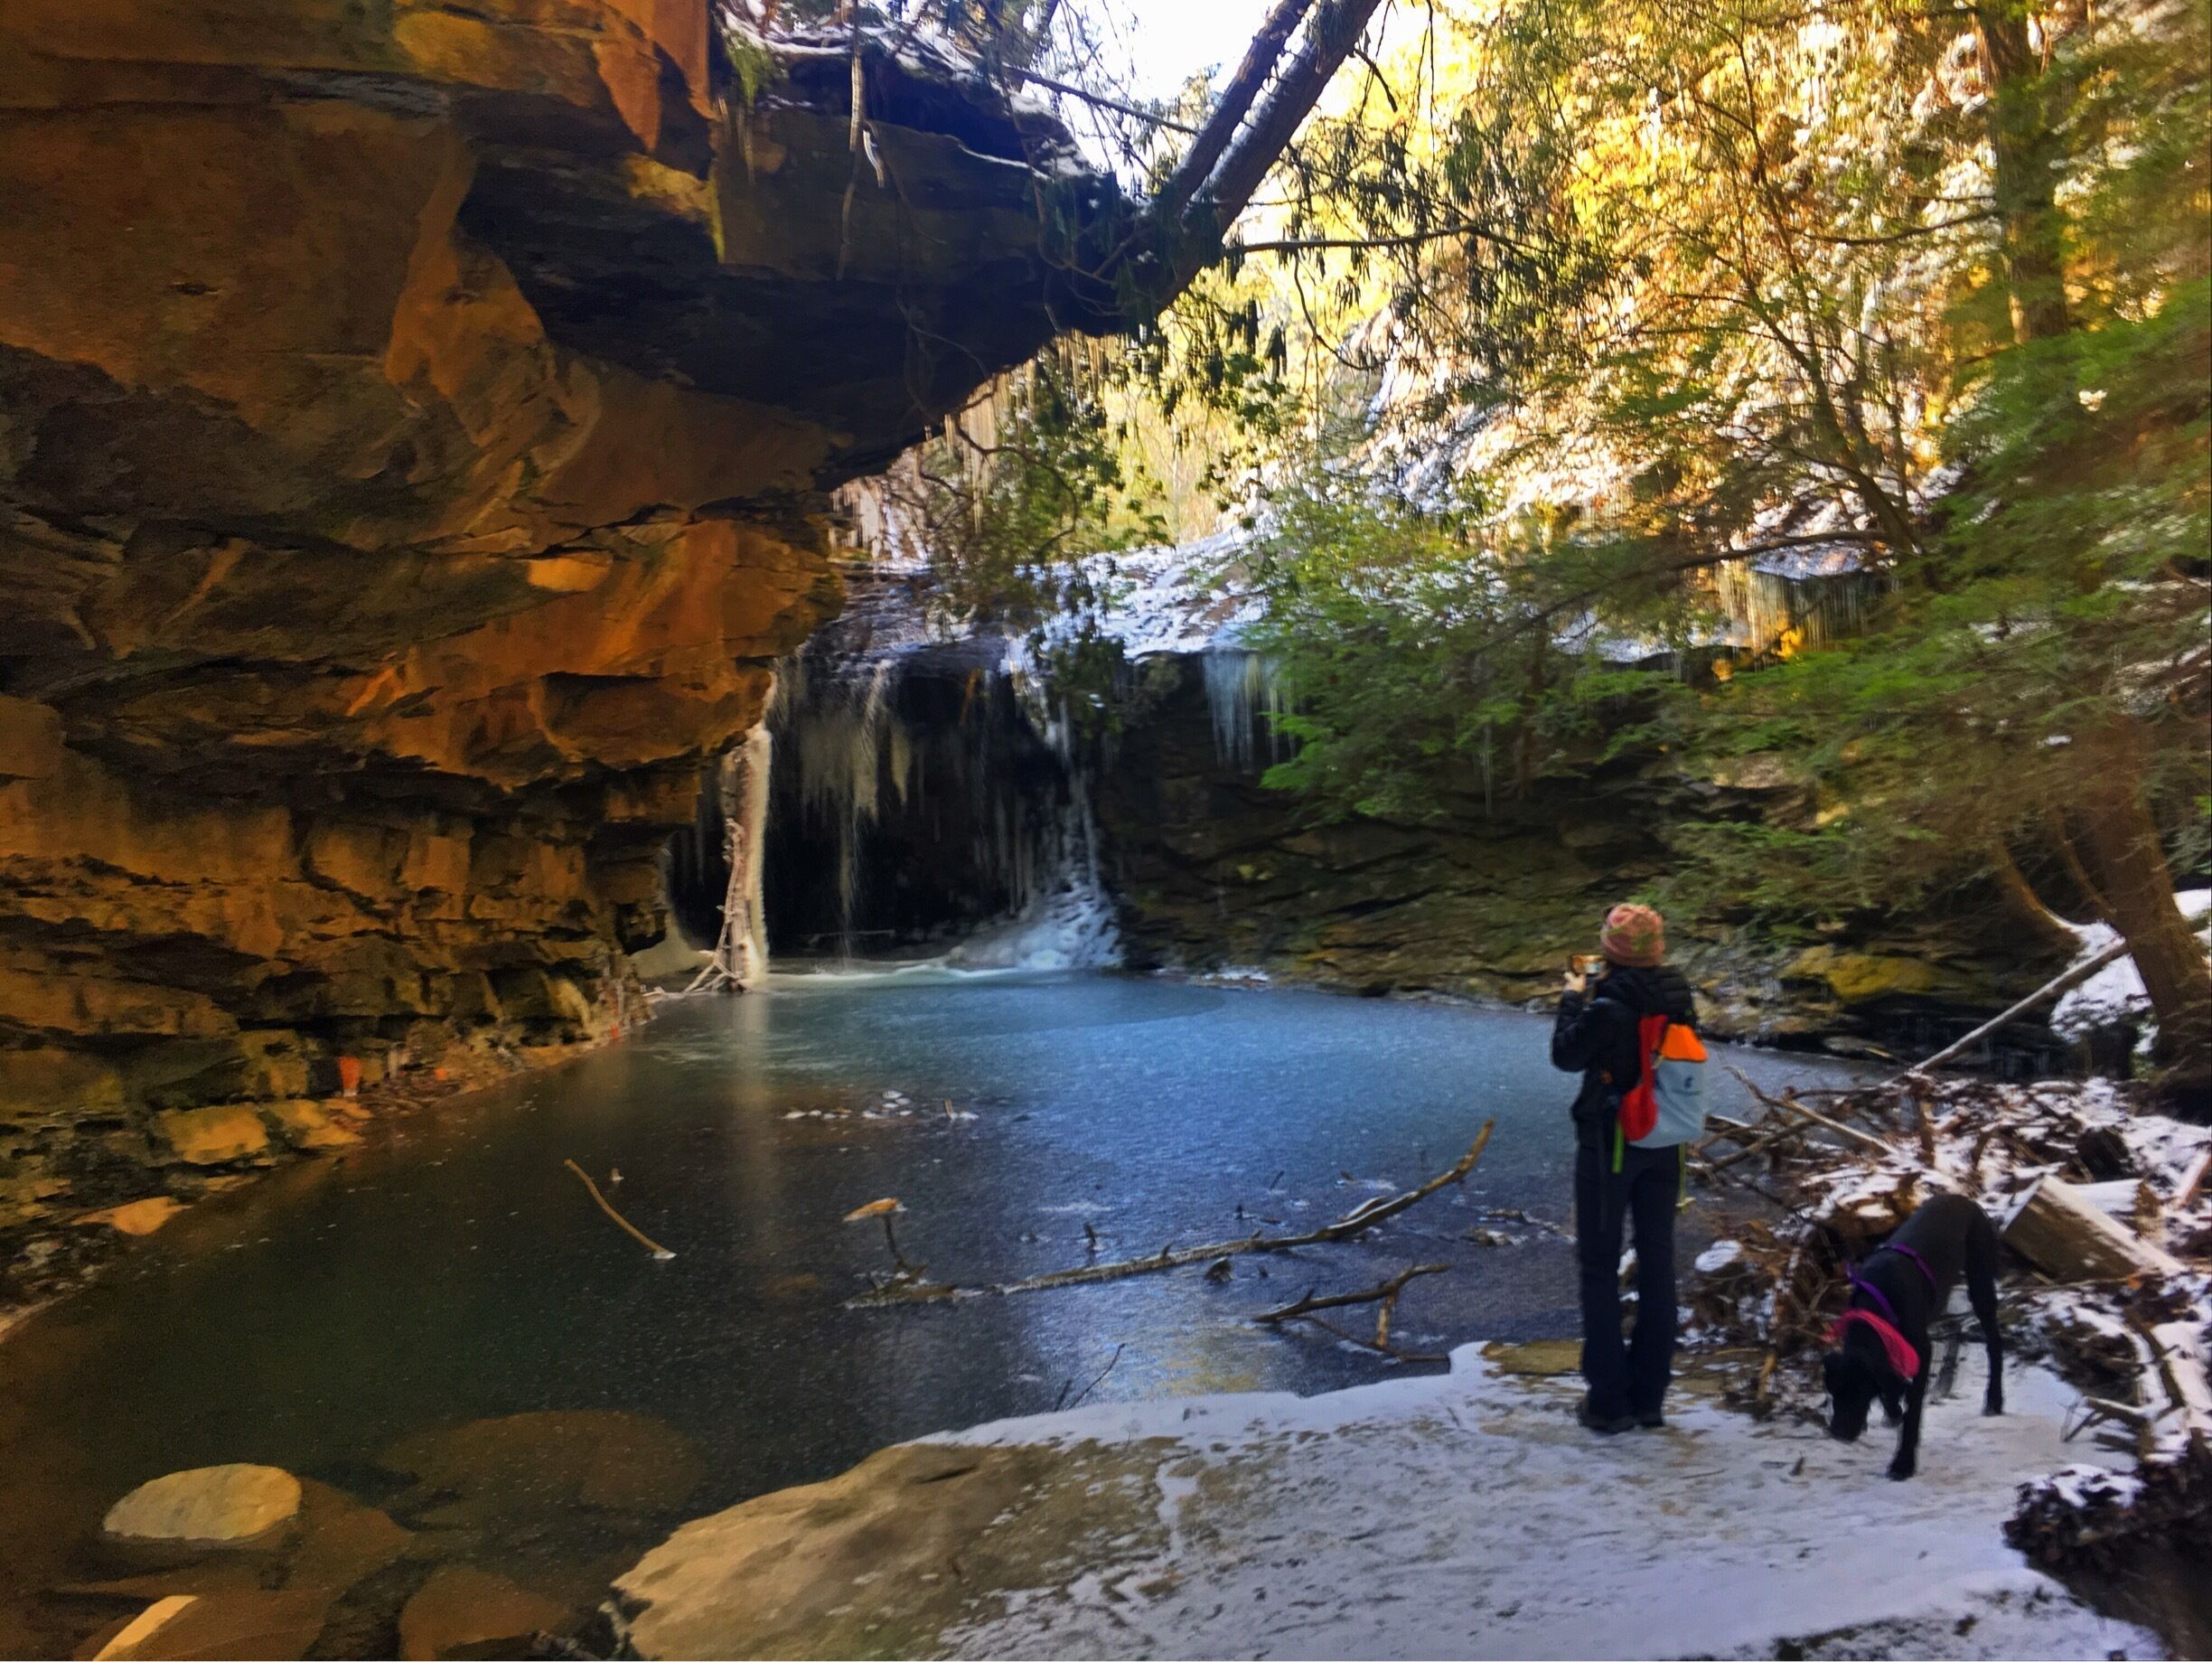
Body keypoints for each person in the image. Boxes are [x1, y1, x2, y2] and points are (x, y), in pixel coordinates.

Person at [1551, 902, 1699, 1433]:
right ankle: (1650, 1397)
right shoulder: (1679, 993)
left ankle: (1609, 1402)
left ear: (1610, 953)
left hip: (1609, 1142)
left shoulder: (1607, 1005)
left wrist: (1573, 998)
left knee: (1599, 1266)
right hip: (1666, 1140)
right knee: (1658, 1263)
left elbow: (1566, 1056)